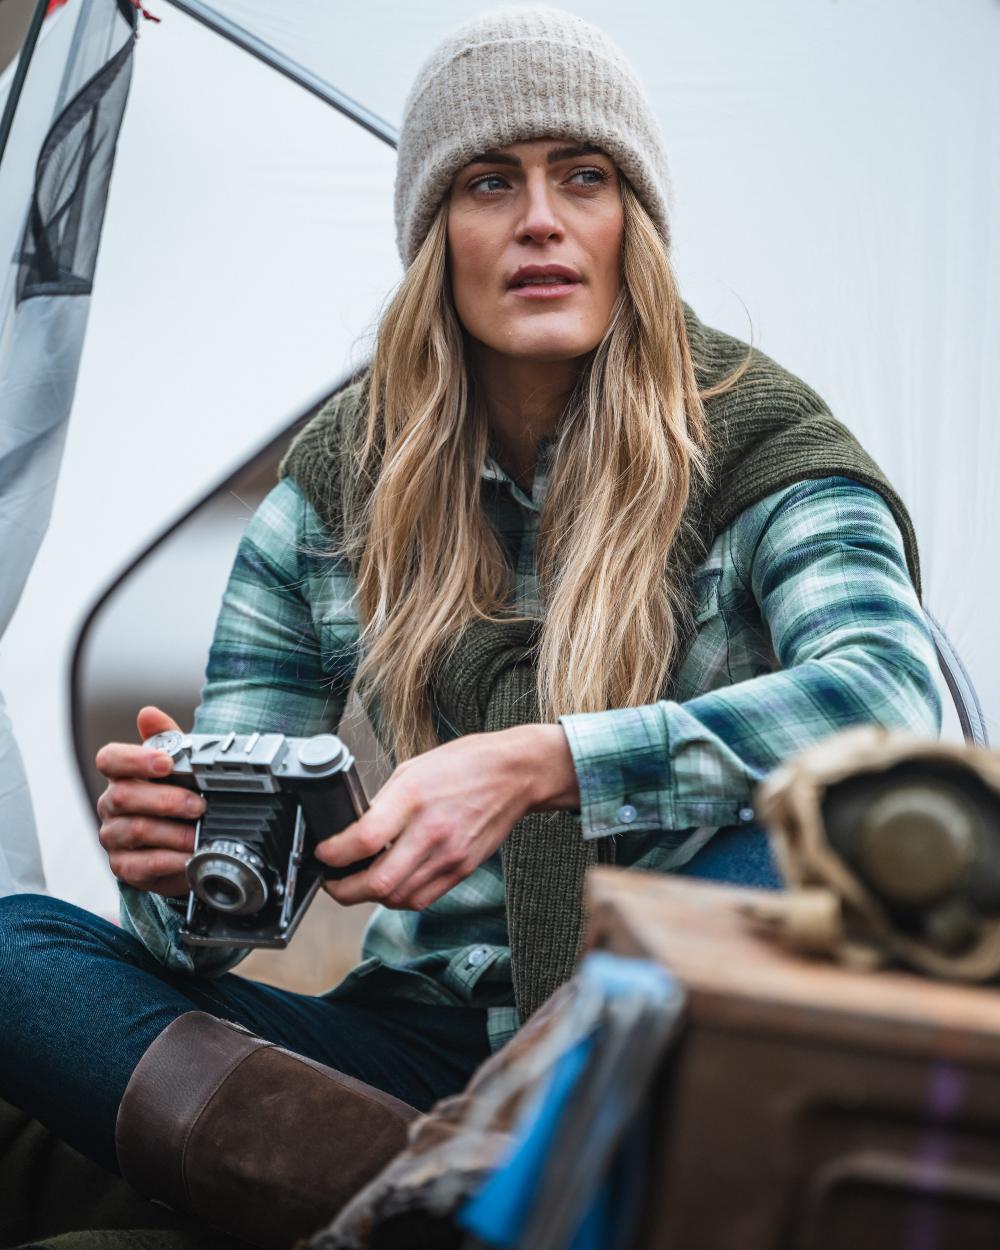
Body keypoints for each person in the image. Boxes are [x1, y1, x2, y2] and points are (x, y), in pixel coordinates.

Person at [0, 4, 940, 1194]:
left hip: (669, 1021)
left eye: (583, 177)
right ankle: (428, 1192)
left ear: (631, 223)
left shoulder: (763, 448)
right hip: (420, 1051)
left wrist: (542, 761)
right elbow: (232, 894)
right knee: (14, 950)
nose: (540, 219)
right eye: (490, 180)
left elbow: (895, 703)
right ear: (435, 230)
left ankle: (419, 1192)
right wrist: (189, 875)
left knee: (799, 843)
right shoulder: (335, 493)